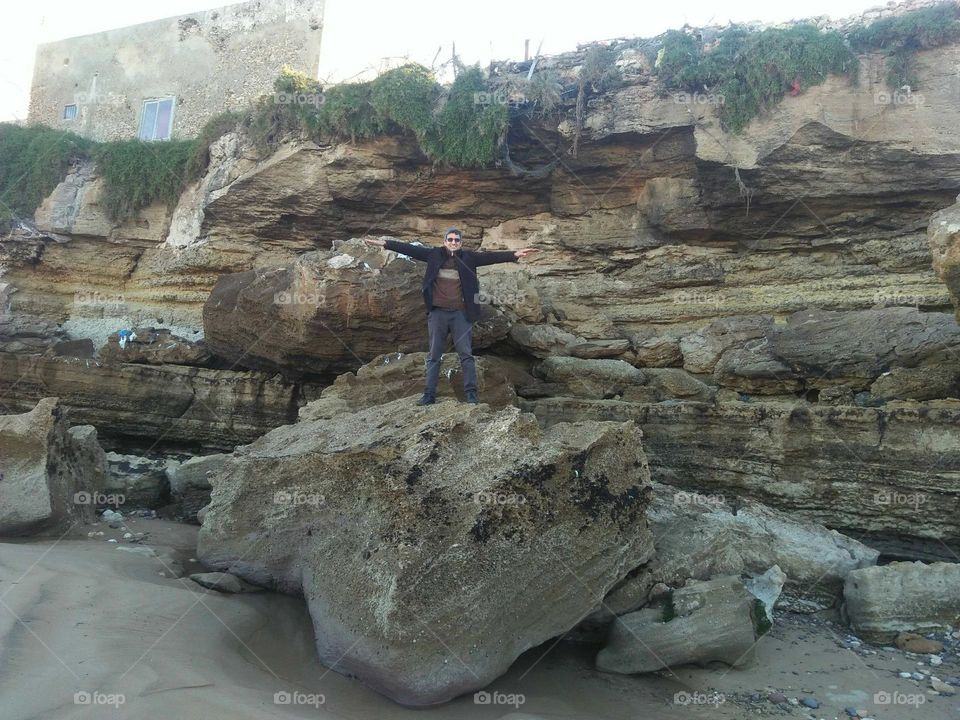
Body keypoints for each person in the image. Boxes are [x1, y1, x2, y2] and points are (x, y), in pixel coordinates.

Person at [365, 229, 536, 405]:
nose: (453, 242)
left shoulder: (469, 258)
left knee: (466, 355)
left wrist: (514, 254)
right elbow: (409, 249)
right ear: (444, 241)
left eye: (456, 240)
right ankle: (429, 395)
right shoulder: (433, 255)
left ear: (460, 242)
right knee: (434, 355)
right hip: (438, 313)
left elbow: (491, 257)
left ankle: (471, 395)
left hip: (461, 314)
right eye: (450, 239)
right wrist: (385, 243)